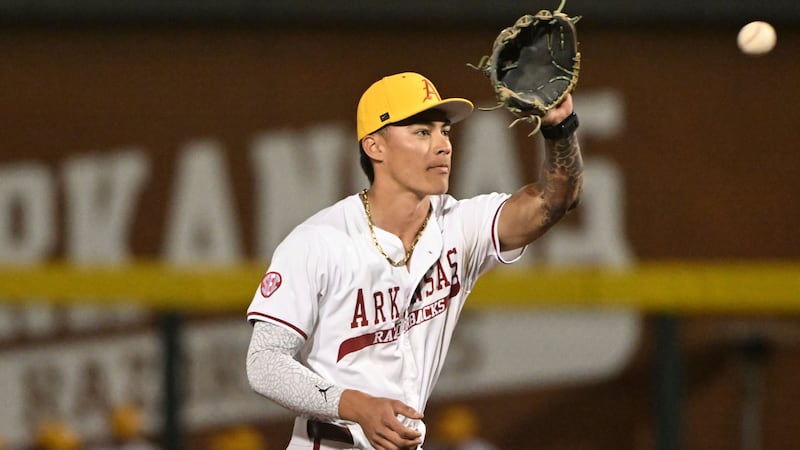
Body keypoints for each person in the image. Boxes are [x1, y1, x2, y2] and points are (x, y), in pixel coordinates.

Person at [245, 71, 583, 450]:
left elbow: (553, 201)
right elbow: (264, 363)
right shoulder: (318, 242)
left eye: (445, 132)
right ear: (375, 146)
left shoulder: (459, 227)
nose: (442, 145)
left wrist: (560, 128)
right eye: (422, 132)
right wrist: (355, 406)